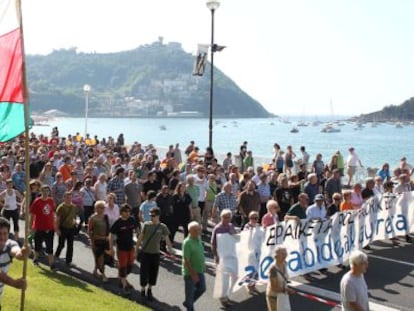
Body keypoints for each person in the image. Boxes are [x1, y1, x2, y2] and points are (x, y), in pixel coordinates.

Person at [136, 207, 174, 301]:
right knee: (143, 272)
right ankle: (143, 289)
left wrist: (171, 250)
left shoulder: (162, 227)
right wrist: (136, 249)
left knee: (153, 273)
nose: (151, 217)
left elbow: (167, 239)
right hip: (145, 253)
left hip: (155, 254)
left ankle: (149, 289)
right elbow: (140, 238)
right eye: (150, 215)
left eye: (153, 216)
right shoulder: (146, 225)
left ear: (158, 216)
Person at [108, 204, 139, 295]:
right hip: (121, 248)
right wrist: (111, 248)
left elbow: (137, 228)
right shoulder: (118, 222)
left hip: (131, 247)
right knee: (123, 266)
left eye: (129, 211)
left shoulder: (131, 220)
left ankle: (122, 279)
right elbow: (111, 235)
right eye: (126, 211)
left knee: (130, 266)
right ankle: (124, 286)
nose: (128, 213)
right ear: (121, 212)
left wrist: (138, 234)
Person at [210, 209, 238, 307]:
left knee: (234, 276)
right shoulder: (217, 228)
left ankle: (226, 294)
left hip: (231, 256)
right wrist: (216, 256)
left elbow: (236, 239)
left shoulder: (231, 226)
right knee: (223, 278)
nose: (226, 219)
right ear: (221, 217)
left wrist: (233, 234)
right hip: (221, 257)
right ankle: (223, 298)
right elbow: (213, 244)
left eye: (228, 217)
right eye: (224, 217)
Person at [0, 217, 28, 307]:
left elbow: (17, 253)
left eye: (5, 234)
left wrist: (24, 252)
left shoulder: (10, 244)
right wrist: (14, 283)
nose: (2, 237)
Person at [29, 185, 57, 270]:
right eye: (44, 191)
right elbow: (32, 215)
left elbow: (52, 213)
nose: (46, 193)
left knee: (50, 246)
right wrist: (31, 227)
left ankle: (51, 264)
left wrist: (55, 226)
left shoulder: (51, 201)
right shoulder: (37, 201)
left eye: (47, 191)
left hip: (50, 228)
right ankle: (35, 259)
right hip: (39, 227)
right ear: (41, 191)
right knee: (38, 245)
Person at [182, 221, 206, 311]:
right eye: (195, 230)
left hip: (200, 270)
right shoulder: (187, 243)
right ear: (190, 231)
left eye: (198, 230)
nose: (198, 232)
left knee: (202, 288)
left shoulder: (198, 238)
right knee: (190, 294)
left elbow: (200, 252)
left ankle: (188, 302)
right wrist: (193, 274)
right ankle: (189, 305)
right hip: (190, 273)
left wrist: (203, 264)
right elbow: (186, 261)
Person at [266, 246, 295, 311]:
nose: (285, 256)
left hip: (283, 295)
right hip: (274, 297)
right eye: (282, 254)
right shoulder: (273, 269)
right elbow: (273, 288)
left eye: (285, 254)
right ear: (276, 256)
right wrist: (287, 290)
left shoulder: (285, 263)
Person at [88, 200, 110, 282]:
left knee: (102, 258)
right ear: (96, 208)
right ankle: (103, 275)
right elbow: (89, 231)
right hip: (97, 241)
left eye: (103, 208)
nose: (102, 209)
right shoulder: (93, 218)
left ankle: (95, 271)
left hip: (105, 241)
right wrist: (92, 241)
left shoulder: (105, 217)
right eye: (100, 208)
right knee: (99, 258)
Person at [54, 191, 78, 267]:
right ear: (64, 198)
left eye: (70, 197)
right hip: (63, 228)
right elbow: (57, 219)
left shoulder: (74, 207)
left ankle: (68, 261)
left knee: (70, 245)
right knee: (61, 244)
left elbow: (74, 217)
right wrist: (57, 229)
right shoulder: (61, 207)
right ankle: (56, 257)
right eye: (67, 197)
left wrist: (76, 221)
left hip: (71, 228)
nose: (69, 199)